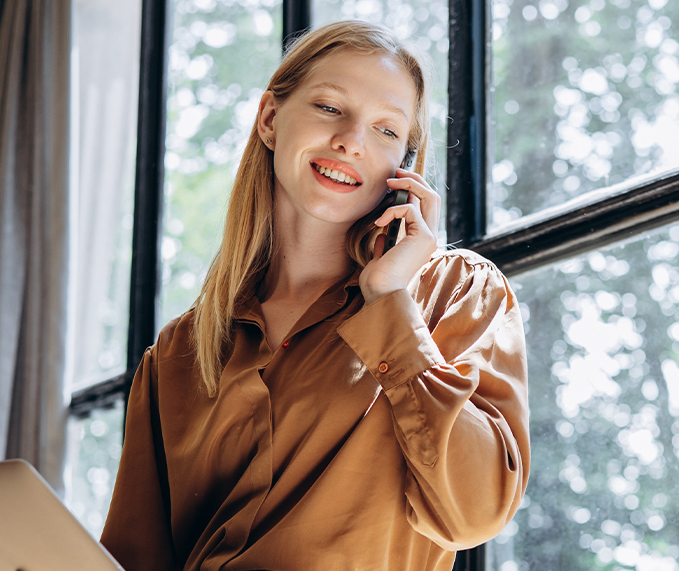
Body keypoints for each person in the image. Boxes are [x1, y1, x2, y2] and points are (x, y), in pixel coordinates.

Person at [98, 20, 530, 570]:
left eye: (387, 130)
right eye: (330, 108)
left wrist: (388, 301)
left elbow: (478, 511)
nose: (352, 140)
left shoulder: (456, 292)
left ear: (402, 166)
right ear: (271, 119)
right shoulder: (178, 353)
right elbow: (132, 559)